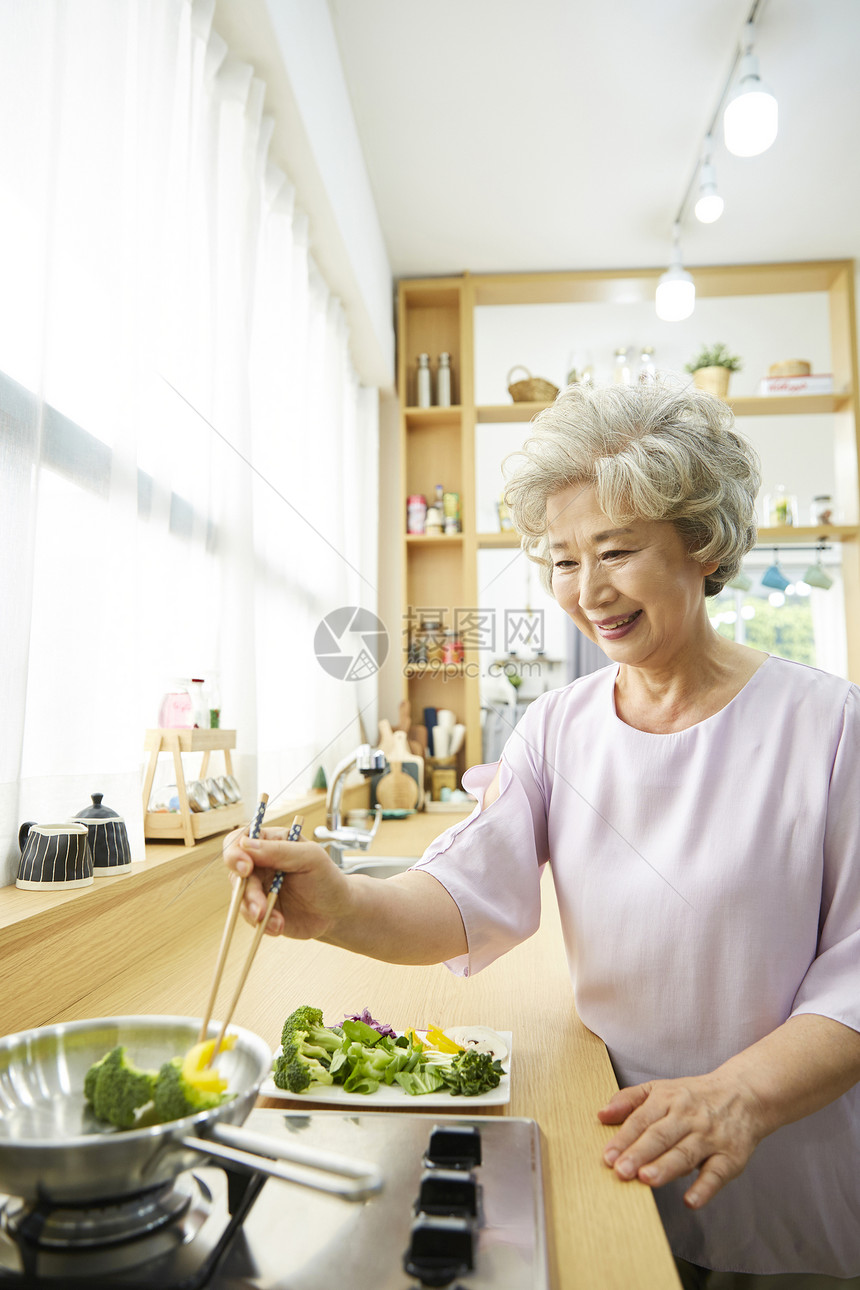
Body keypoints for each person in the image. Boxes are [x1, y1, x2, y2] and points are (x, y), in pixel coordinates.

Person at [225, 382, 860, 1289]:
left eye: (617, 550)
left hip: (786, 1164)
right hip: (622, 1143)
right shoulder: (558, 727)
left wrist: (738, 1096)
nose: (587, 591)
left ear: (701, 542)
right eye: (562, 560)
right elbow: (462, 895)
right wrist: (341, 902)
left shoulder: (828, 724)